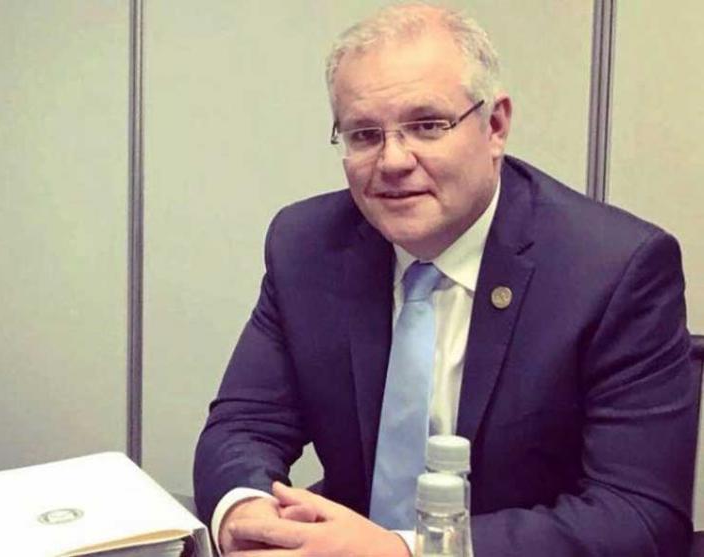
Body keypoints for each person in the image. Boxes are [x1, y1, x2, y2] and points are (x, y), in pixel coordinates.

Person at [194, 3, 699, 556]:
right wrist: (247, 514)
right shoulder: (307, 246)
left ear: (495, 126)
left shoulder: (614, 270)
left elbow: (638, 517)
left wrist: (408, 551)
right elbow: (244, 426)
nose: (392, 161)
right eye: (364, 134)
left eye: (427, 125)